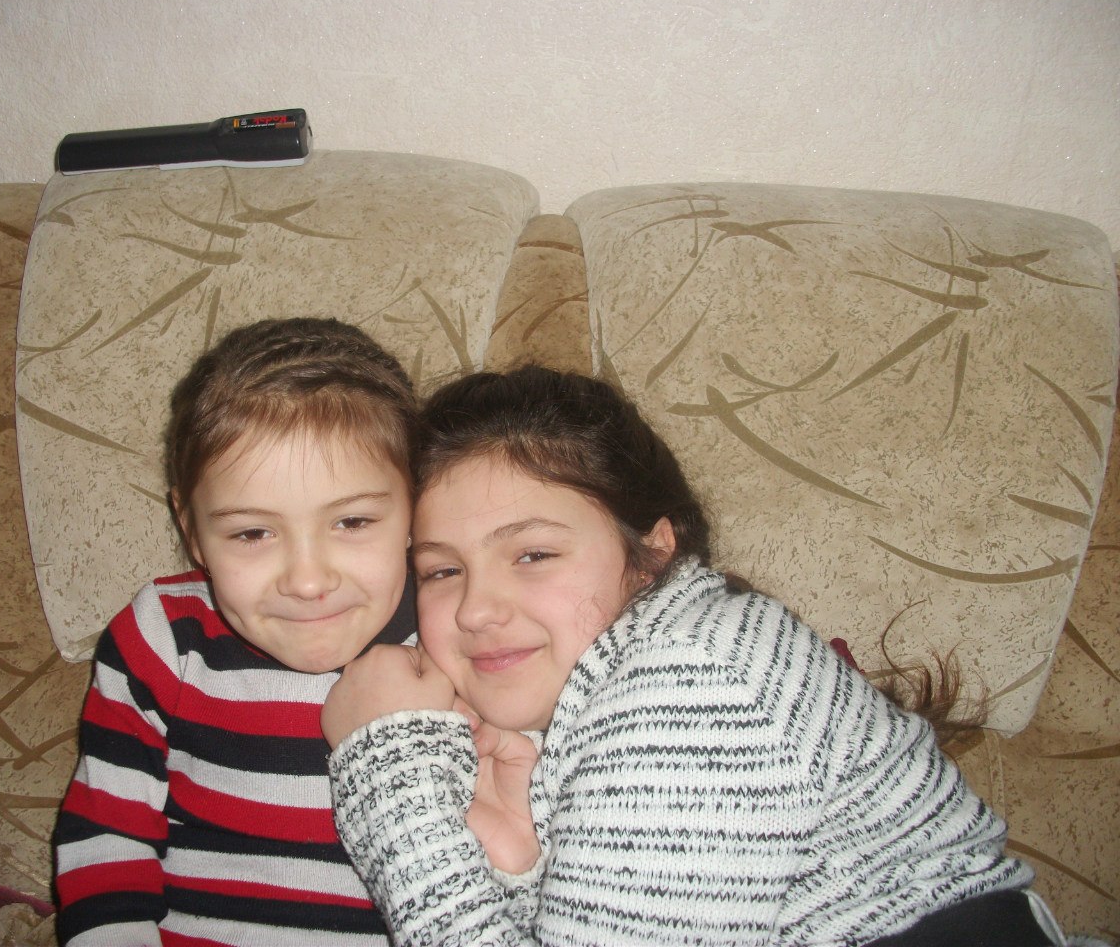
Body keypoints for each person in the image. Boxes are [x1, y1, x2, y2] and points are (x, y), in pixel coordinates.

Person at [322, 365, 1074, 947]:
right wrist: (521, 867)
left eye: (534, 553)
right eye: (441, 571)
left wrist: (391, 778)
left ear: (654, 550)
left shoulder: (693, 675)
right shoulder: (616, 682)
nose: (475, 609)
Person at [55, 318, 418, 946]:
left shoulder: (458, 639)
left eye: (353, 522)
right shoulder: (162, 641)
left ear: (417, 506)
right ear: (191, 528)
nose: (308, 580)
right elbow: (107, 838)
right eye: (252, 533)